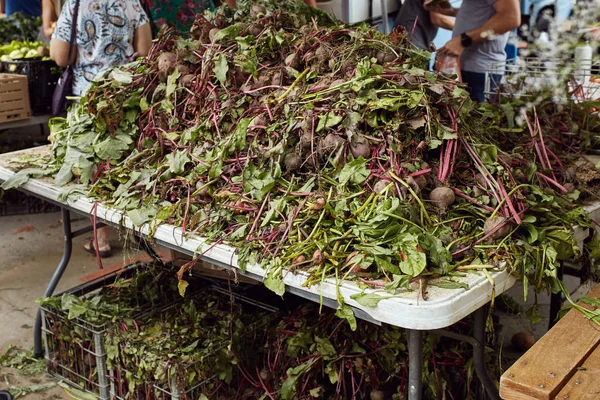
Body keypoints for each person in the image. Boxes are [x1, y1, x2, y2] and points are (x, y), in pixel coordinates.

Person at [50, 0, 152, 257]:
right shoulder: (131, 3)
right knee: (128, 163)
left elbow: (61, 57)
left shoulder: (76, 4)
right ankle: (138, 229)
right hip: (126, 96)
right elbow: (145, 49)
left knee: (96, 169)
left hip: (89, 101)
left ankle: (101, 238)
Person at [436, 0, 520, 102]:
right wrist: (452, 11)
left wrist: (463, 40)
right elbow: (483, 13)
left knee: (476, 115)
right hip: (469, 68)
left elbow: (510, 18)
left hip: (480, 73)